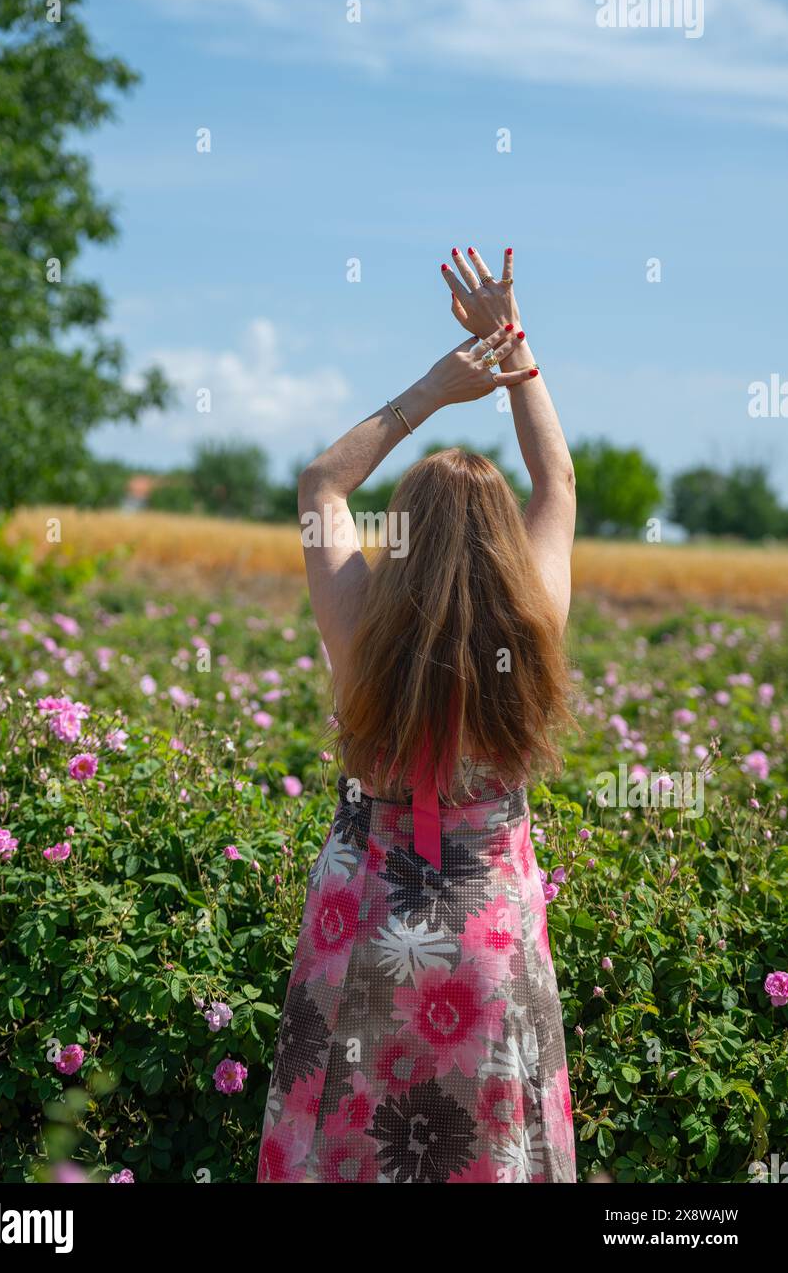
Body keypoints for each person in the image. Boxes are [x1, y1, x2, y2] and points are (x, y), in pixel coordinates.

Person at [256, 245, 577, 1183]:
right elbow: (556, 488)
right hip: (489, 923)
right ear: (505, 544)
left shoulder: (361, 626)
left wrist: (431, 393)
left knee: (344, 1132)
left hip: (364, 915)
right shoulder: (536, 620)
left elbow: (321, 482)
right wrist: (513, 349)